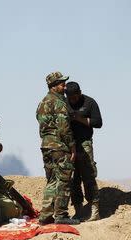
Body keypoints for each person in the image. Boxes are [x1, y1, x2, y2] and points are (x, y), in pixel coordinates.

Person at [36, 72, 79, 225]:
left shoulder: (42, 103)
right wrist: (73, 147)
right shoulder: (59, 103)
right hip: (60, 146)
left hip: (46, 146)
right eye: (62, 83)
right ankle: (61, 215)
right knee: (64, 180)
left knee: (52, 181)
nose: (64, 86)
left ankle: (46, 215)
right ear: (54, 86)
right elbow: (64, 128)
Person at [65, 81, 103, 221]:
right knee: (73, 178)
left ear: (79, 93)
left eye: (75, 97)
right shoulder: (64, 103)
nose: (73, 100)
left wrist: (79, 119)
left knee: (88, 175)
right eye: (70, 98)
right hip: (68, 145)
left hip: (84, 143)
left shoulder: (89, 102)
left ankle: (94, 210)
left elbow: (98, 122)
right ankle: (78, 210)